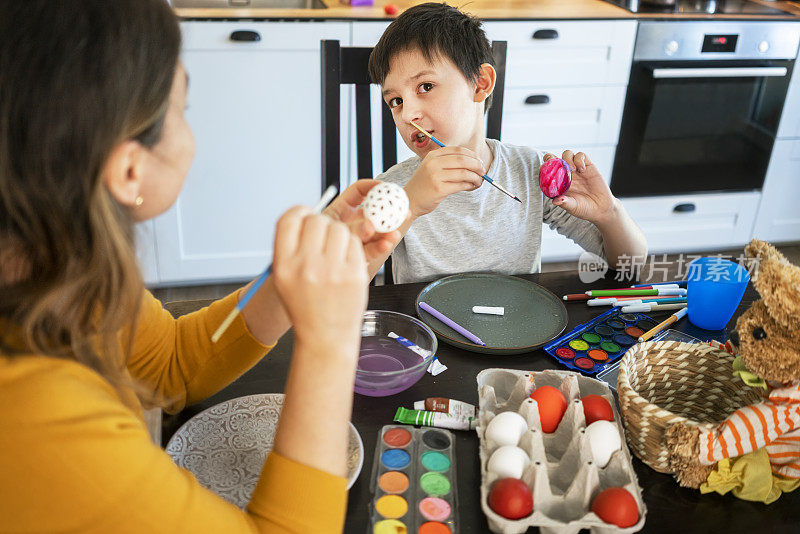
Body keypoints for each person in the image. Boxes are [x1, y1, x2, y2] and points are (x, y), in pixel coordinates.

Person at [0, 1, 399, 532]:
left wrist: (293, 280)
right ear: (128, 167)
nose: (191, 126)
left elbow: (170, 365)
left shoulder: (58, 266)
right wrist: (329, 341)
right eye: (183, 106)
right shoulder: (37, 425)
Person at [366, 3, 648, 284]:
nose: (407, 114)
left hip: (519, 324)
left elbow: (630, 264)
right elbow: (344, 280)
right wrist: (410, 204)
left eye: (425, 87)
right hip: (428, 327)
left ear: (480, 84)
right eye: (396, 101)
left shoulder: (532, 171)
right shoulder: (392, 191)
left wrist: (608, 212)